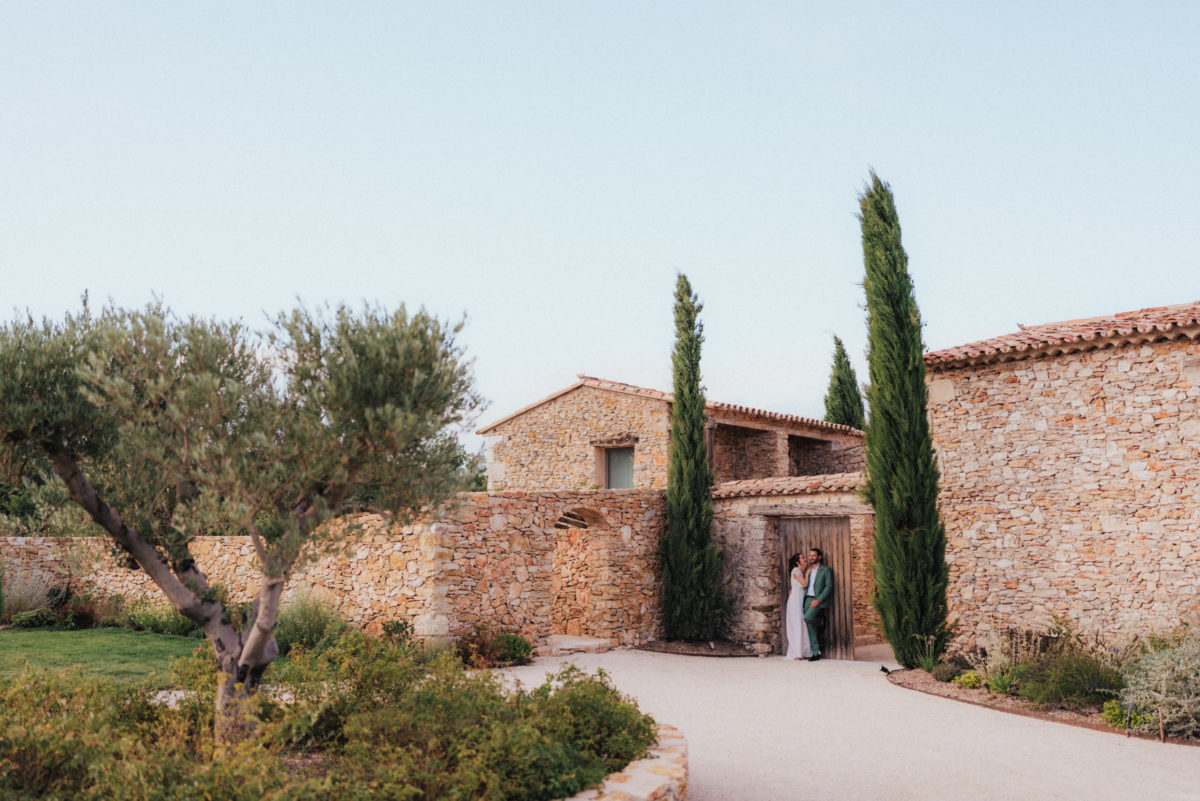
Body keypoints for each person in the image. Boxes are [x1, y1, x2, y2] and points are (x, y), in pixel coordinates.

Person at [802, 547, 833, 661]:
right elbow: (804, 583)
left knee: (807, 618)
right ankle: (816, 652)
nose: (811, 557)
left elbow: (829, 586)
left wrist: (819, 599)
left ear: (819, 557)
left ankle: (820, 620)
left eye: (814, 555)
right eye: (810, 555)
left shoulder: (825, 570)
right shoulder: (808, 570)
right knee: (809, 624)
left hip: (818, 600)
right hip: (807, 599)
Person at [784, 553, 811, 660]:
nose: (805, 559)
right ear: (797, 562)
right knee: (797, 624)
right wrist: (808, 574)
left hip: (799, 599)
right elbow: (804, 584)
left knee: (801, 624)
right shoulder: (796, 570)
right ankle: (796, 653)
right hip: (795, 601)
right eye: (803, 558)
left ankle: (802, 652)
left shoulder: (800, 571)